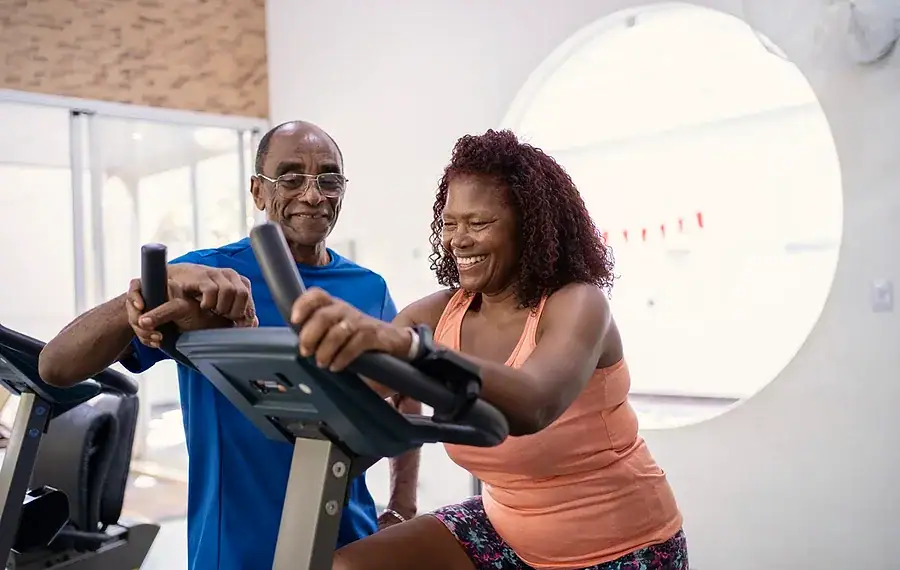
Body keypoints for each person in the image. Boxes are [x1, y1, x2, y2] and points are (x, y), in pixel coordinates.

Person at [285, 129, 688, 570]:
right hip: (507, 530)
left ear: (529, 229)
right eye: (450, 223)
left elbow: (534, 404)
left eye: (478, 223)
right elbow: (346, 394)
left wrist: (412, 349)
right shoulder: (438, 315)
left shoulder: (578, 304)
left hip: (623, 546)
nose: (458, 239)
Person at [38, 121, 421, 570]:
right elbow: (55, 366)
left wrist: (402, 506)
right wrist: (151, 287)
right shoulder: (204, 279)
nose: (313, 195)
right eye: (291, 178)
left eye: (329, 179)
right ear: (258, 192)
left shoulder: (369, 287)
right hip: (234, 551)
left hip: (349, 543)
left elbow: (404, 392)